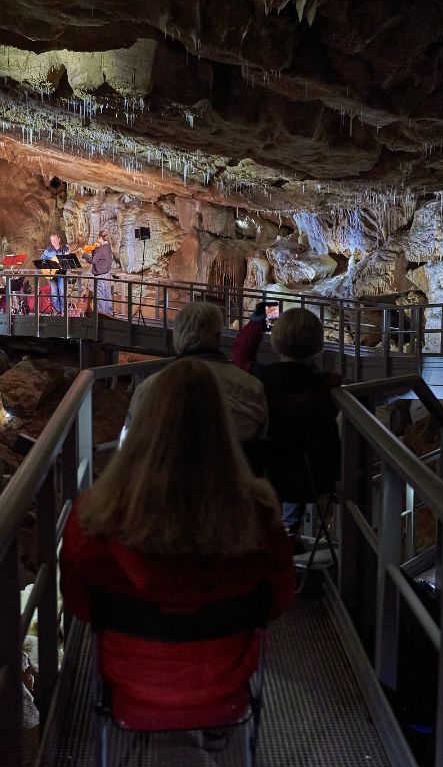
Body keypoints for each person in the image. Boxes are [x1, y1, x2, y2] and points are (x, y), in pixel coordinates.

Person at [60, 359, 294, 728]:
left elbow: (80, 603)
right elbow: (277, 599)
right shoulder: (258, 516)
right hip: (223, 680)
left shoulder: (95, 518)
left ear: (145, 421)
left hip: (130, 678)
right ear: (221, 424)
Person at [237, 307, 342, 539]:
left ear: (275, 343)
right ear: (318, 346)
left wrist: (256, 326)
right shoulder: (326, 385)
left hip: (267, 474)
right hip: (316, 479)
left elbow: (241, 360)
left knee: (280, 455)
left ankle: (280, 534)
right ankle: (289, 533)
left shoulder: (260, 377)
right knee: (299, 454)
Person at [126, 301, 268, 443]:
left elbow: (129, 444)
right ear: (218, 337)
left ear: (176, 336)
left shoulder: (147, 390)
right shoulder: (251, 387)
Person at [81, 230, 116, 315]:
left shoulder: (101, 249)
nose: (97, 240)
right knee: (107, 294)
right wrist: (94, 249)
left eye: (98, 238)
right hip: (107, 274)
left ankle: (101, 314)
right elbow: (100, 258)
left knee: (100, 295)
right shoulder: (108, 247)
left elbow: (93, 260)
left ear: (100, 238)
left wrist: (84, 254)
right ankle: (109, 312)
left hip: (100, 274)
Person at [40, 231, 69, 314]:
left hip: (61, 274)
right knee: (54, 294)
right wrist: (47, 267)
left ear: (59, 239)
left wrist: (65, 260)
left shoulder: (64, 249)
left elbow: (68, 261)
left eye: (55, 240)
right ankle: (57, 311)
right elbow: (41, 260)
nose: (54, 242)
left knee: (62, 293)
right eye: (52, 240)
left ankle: (64, 311)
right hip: (51, 275)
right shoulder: (48, 250)